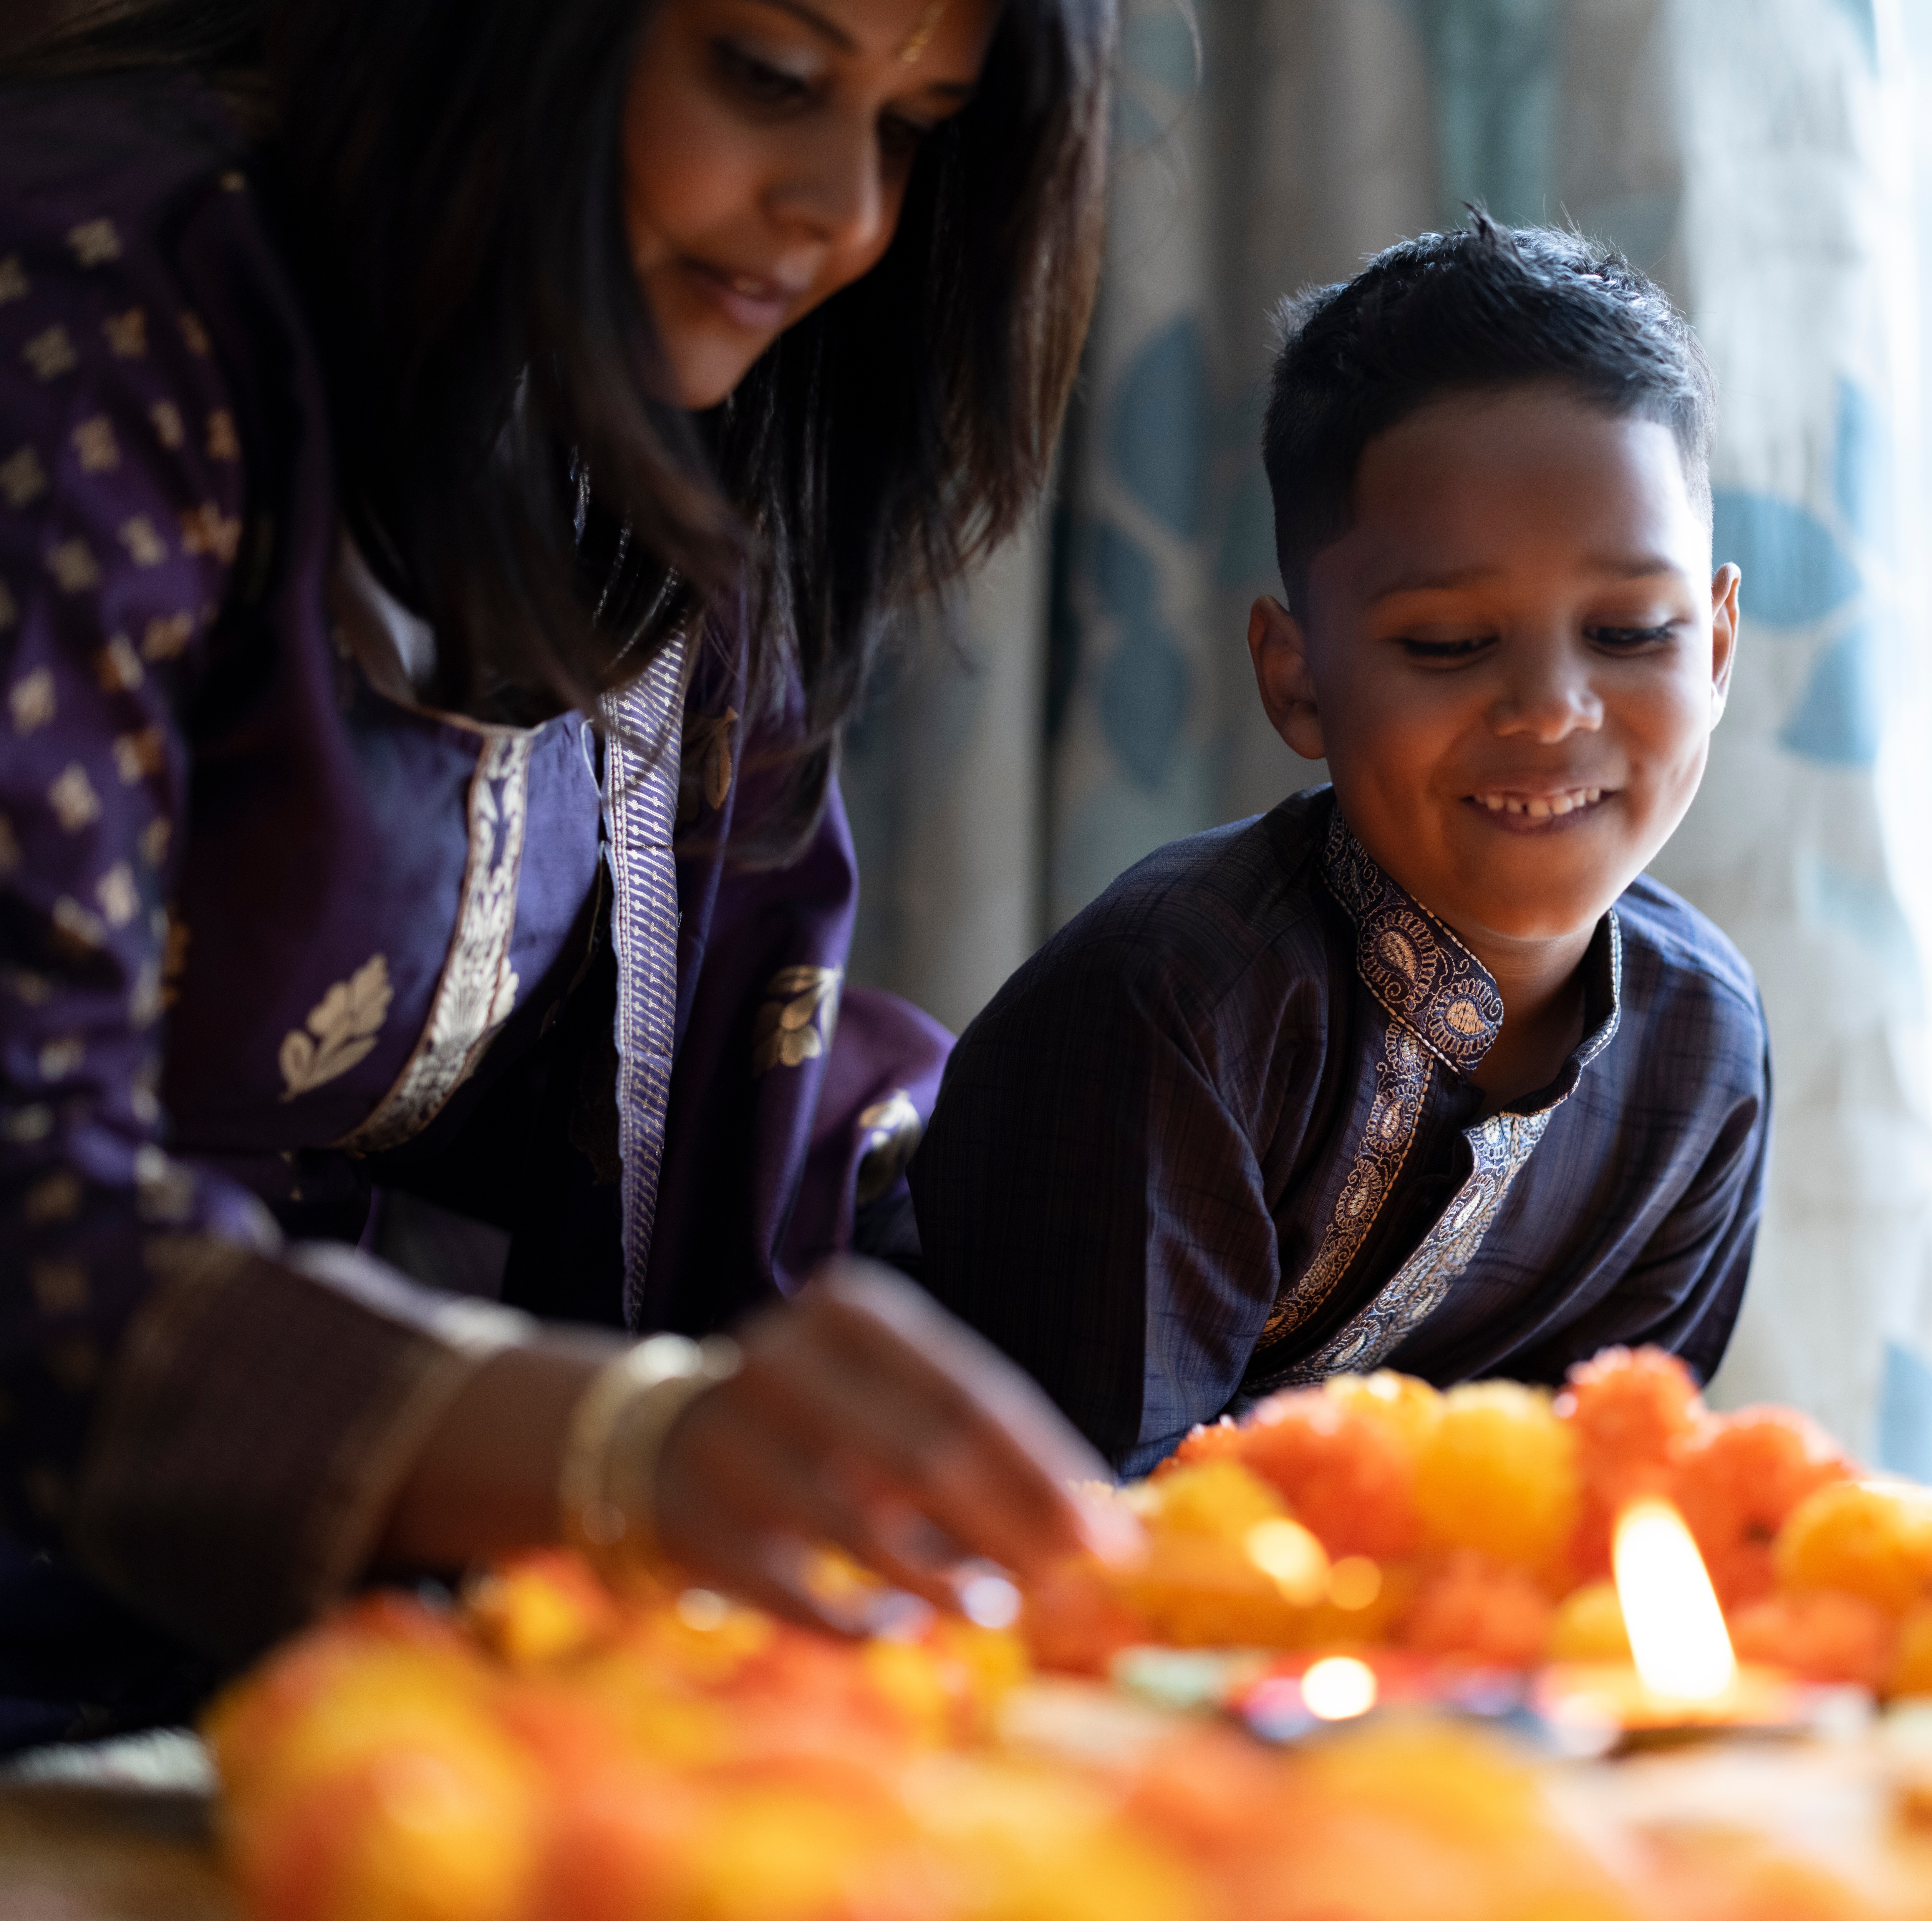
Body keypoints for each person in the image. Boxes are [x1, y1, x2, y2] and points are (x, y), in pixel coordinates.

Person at [0, 0, 1130, 1750]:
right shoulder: (85, 310)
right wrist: (624, 1449)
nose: (842, 209)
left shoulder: (660, 437)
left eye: (912, 130)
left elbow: (718, 1149)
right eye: (769, 77)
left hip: (294, 1659)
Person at [912, 220, 1770, 1477]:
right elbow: (1083, 1527)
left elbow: (1598, 1501)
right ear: (1298, 675)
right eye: (1447, 644)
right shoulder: (1181, 998)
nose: (1549, 708)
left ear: (1717, 647)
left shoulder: (1703, 1046)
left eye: (1632, 629)